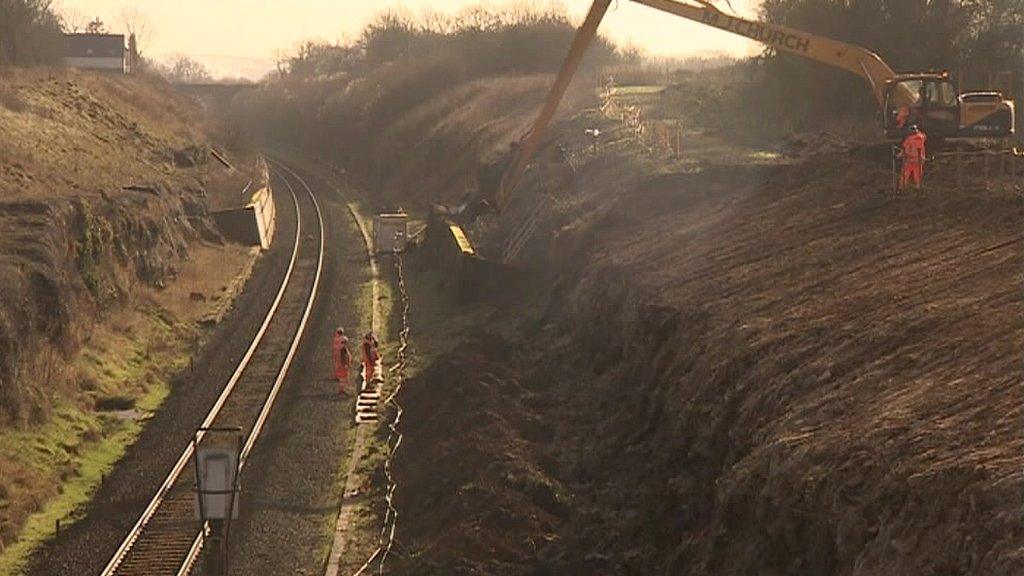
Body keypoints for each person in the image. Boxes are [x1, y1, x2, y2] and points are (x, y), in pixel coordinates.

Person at [899, 125, 928, 191]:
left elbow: (904, 150)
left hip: (910, 159)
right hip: (920, 159)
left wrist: (899, 155)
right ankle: (918, 186)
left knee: (905, 173)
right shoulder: (922, 137)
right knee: (918, 174)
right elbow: (924, 135)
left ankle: (902, 187)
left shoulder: (909, 140)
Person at [332, 327, 351, 394]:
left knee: (337, 367)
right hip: (341, 362)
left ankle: (337, 376)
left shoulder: (336, 339)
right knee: (343, 378)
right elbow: (344, 357)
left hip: (337, 356)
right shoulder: (343, 349)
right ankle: (341, 390)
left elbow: (334, 347)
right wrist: (346, 364)